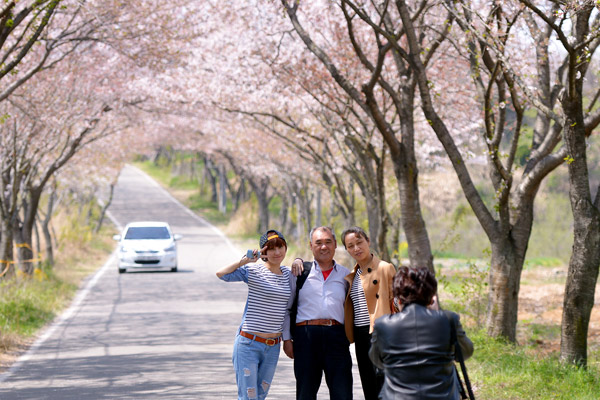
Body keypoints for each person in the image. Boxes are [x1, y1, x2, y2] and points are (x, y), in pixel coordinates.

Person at [369, 266, 474, 400]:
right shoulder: (448, 320)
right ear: (431, 298)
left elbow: (377, 360)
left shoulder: (383, 325)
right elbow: (465, 352)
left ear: (399, 299)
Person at [216, 229, 295, 400]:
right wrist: (245, 260)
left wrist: (298, 260)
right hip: (248, 344)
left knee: (260, 396)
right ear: (263, 252)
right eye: (271, 248)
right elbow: (221, 274)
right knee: (249, 397)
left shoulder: (289, 274)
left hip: (273, 347)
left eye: (280, 247)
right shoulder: (253, 271)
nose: (277, 252)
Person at [287, 226, 353, 400]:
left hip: (337, 338)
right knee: (305, 394)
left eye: (328, 242)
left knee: (343, 393)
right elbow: (287, 308)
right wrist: (287, 339)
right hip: (305, 337)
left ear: (335, 245)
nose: (324, 247)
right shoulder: (299, 273)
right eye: (318, 243)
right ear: (311, 246)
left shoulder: (347, 276)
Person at [341, 227, 397, 400]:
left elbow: (397, 303)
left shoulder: (385, 268)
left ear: (368, 242)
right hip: (360, 335)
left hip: (381, 333)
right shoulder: (354, 273)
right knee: (368, 383)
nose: (356, 248)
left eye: (359, 243)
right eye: (350, 246)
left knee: (385, 385)